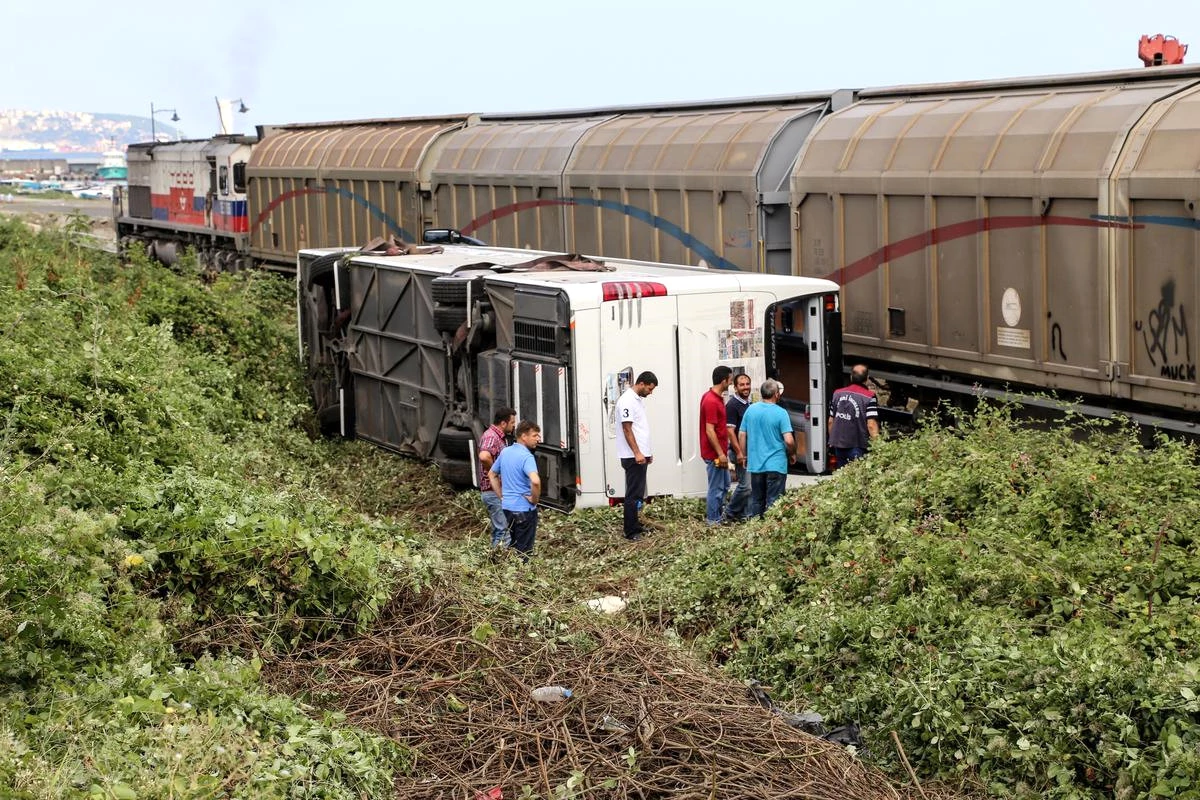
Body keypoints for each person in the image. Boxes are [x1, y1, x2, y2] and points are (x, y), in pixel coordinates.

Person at [739, 379, 795, 517]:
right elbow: (788, 440)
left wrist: (744, 455)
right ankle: (769, 534)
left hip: (756, 464)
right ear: (776, 394)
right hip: (776, 464)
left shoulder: (750, 410)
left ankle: (756, 531)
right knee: (774, 502)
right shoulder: (781, 413)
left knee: (757, 501)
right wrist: (792, 453)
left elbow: (741, 434)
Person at [488, 420, 542, 558]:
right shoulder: (526, 457)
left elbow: (492, 474)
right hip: (524, 510)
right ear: (524, 436)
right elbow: (535, 481)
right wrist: (534, 499)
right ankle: (520, 577)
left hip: (508, 508)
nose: (538, 439)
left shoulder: (505, 452)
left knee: (513, 545)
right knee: (524, 552)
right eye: (535, 435)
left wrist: (501, 496)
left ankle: (510, 574)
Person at [614, 371, 658, 541]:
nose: (650, 392)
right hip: (632, 456)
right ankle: (630, 531)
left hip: (640, 454)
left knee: (638, 492)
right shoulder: (627, 401)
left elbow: (641, 429)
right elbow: (627, 428)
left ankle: (636, 525)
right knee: (633, 494)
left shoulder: (637, 400)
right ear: (641, 383)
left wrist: (647, 452)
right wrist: (638, 452)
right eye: (649, 388)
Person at [477, 407, 517, 548]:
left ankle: (492, 560)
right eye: (512, 423)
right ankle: (501, 565)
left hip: (495, 491)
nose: (514, 426)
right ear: (503, 423)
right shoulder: (491, 437)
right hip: (492, 491)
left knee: (498, 530)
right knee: (503, 531)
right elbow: (484, 456)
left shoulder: (499, 437)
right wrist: (495, 474)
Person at [699, 365, 733, 525]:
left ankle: (718, 515)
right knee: (717, 488)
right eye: (730, 380)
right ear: (723, 380)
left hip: (720, 453)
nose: (731, 383)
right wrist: (720, 453)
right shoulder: (711, 400)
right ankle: (713, 521)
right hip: (715, 455)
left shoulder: (715, 397)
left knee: (725, 484)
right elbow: (709, 430)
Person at [828, 364, 880, 468]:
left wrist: (832, 440)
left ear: (851, 376)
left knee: (842, 477)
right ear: (867, 379)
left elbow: (830, 421)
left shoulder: (837, 394)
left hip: (839, 445)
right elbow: (871, 425)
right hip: (858, 446)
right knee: (857, 478)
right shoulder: (869, 397)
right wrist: (878, 447)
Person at [723, 372, 753, 523]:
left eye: (747, 384)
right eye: (742, 385)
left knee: (751, 486)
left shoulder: (749, 404)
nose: (745, 387)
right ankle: (729, 512)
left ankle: (745, 515)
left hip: (749, 451)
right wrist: (740, 452)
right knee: (746, 486)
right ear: (735, 388)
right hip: (739, 452)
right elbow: (730, 431)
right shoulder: (732, 405)